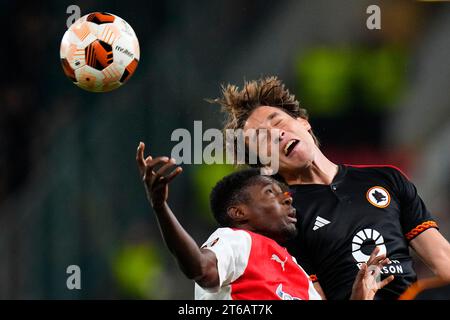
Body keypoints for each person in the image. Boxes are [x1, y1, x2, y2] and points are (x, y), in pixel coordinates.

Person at [210, 76, 450, 299]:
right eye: (262, 138)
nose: (277, 134)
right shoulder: (283, 218)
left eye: (278, 121)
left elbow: (442, 257)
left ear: (303, 122)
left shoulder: (387, 178)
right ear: (265, 165)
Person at [136, 142, 393, 300]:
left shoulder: (299, 273)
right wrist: (160, 207)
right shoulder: (236, 240)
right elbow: (202, 270)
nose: (288, 199)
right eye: (271, 193)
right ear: (239, 213)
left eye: (287, 195)